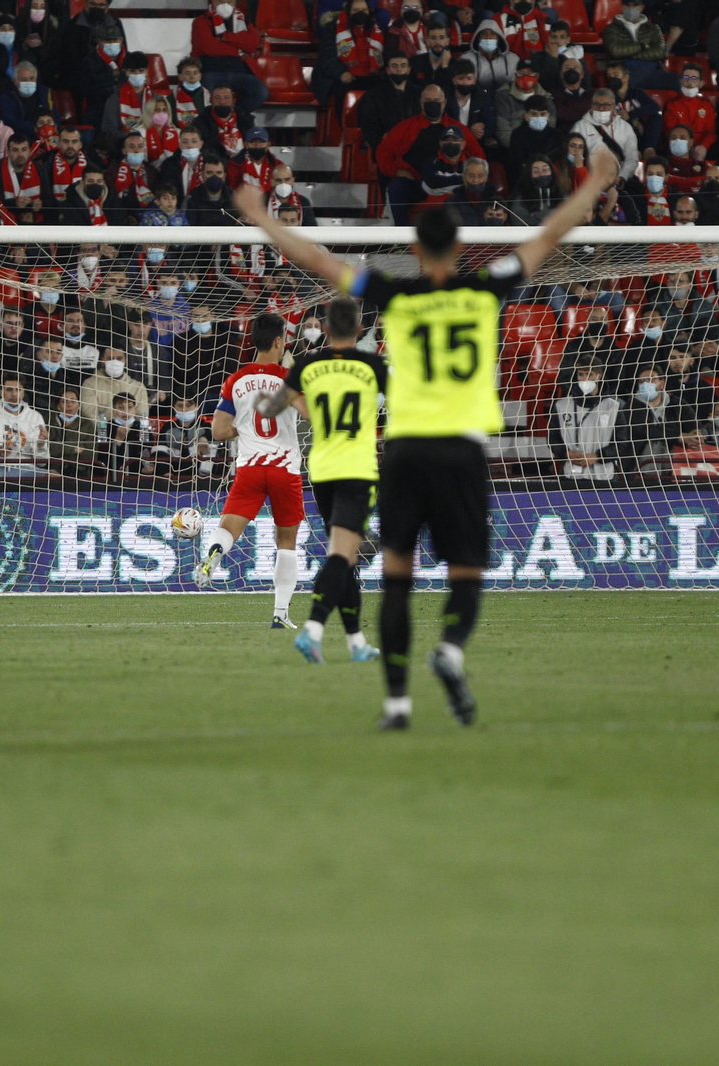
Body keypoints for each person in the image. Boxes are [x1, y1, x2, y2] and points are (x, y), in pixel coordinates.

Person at [233, 144, 618, 728]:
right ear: (459, 248)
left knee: (395, 580)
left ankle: (396, 704)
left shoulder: (395, 294)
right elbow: (544, 238)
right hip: (461, 449)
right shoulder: (484, 289)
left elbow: (317, 259)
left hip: (405, 451)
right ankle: (451, 650)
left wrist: (262, 219)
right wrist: (591, 190)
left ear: (414, 251)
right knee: (465, 574)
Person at [252, 295, 385, 664]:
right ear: (359, 329)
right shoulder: (373, 364)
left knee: (348, 557)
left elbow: (271, 408)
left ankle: (357, 642)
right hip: (357, 467)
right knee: (343, 555)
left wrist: (280, 399)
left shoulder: (307, 365)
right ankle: (313, 631)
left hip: (321, 469)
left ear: (324, 329)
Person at [192, 310, 304, 629]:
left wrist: (245, 428)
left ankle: (213, 553)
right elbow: (310, 413)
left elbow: (218, 431)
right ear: (279, 341)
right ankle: (280, 614)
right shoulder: (288, 378)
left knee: (229, 527)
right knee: (286, 543)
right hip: (284, 467)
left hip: (250, 467)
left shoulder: (236, 380)